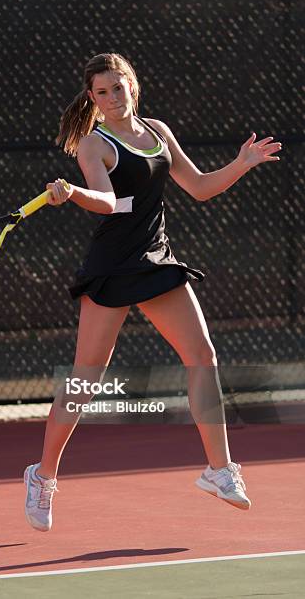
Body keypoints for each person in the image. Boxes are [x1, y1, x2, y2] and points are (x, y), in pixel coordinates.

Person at [23, 53, 282, 531]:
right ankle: (43, 475)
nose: (112, 98)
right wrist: (75, 194)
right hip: (112, 267)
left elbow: (200, 188)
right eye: (101, 92)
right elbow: (107, 201)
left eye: (118, 88)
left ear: (132, 86)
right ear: (92, 99)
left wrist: (243, 163)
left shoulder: (158, 131)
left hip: (156, 260)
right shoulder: (92, 146)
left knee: (202, 355)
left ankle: (220, 471)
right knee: (85, 382)